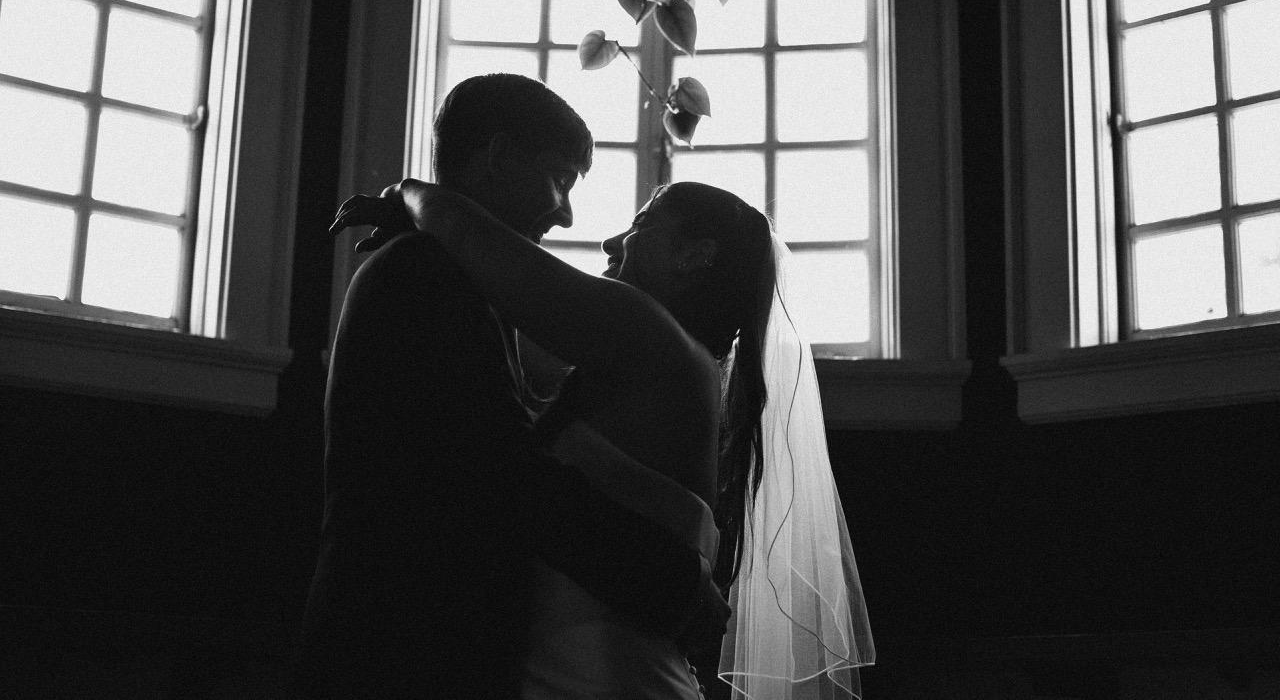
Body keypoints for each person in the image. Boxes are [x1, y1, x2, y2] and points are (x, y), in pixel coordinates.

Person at [333, 177, 876, 698]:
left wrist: (405, 192)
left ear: (694, 255)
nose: (611, 241)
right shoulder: (655, 364)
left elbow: (480, 244)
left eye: (640, 224)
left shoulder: (656, 338)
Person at [293, 74, 728, 699]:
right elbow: (500, 476)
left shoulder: (457, 277)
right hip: (397, 653)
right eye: (560, 179)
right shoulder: (420, 272)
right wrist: (675, 585)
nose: (566, 213)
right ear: (498, 157)